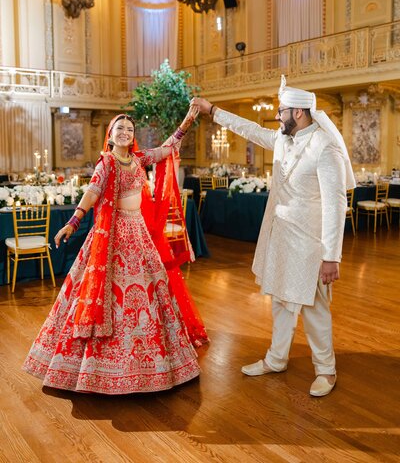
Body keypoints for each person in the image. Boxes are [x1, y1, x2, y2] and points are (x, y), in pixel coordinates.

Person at [192, 75, 355, 397]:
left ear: (298, 112)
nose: (277, 116)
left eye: (282, 111)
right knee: (280, 302)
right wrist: (213, 110)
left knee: (313, 308)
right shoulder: (283, 139)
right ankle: (276, 359)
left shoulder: (325, 147)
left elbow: (336, 204)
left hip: (311, 243)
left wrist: (331, 256)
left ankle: (326, 370)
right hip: (280, 238)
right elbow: (250, 130)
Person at [23, 107, 204, 395]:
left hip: (139, 233)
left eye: (130, 130)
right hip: (112, 237)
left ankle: (150, 366)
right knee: (108, 296)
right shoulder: (106, 162)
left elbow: (166, 149)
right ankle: (96, 369)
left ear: (133, 137)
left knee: (150, 296)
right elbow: (92, 193)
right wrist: (74, 221)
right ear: (111, 135)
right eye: (120, 128)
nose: (125, 133)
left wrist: (186, 121)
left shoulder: (138, 159)